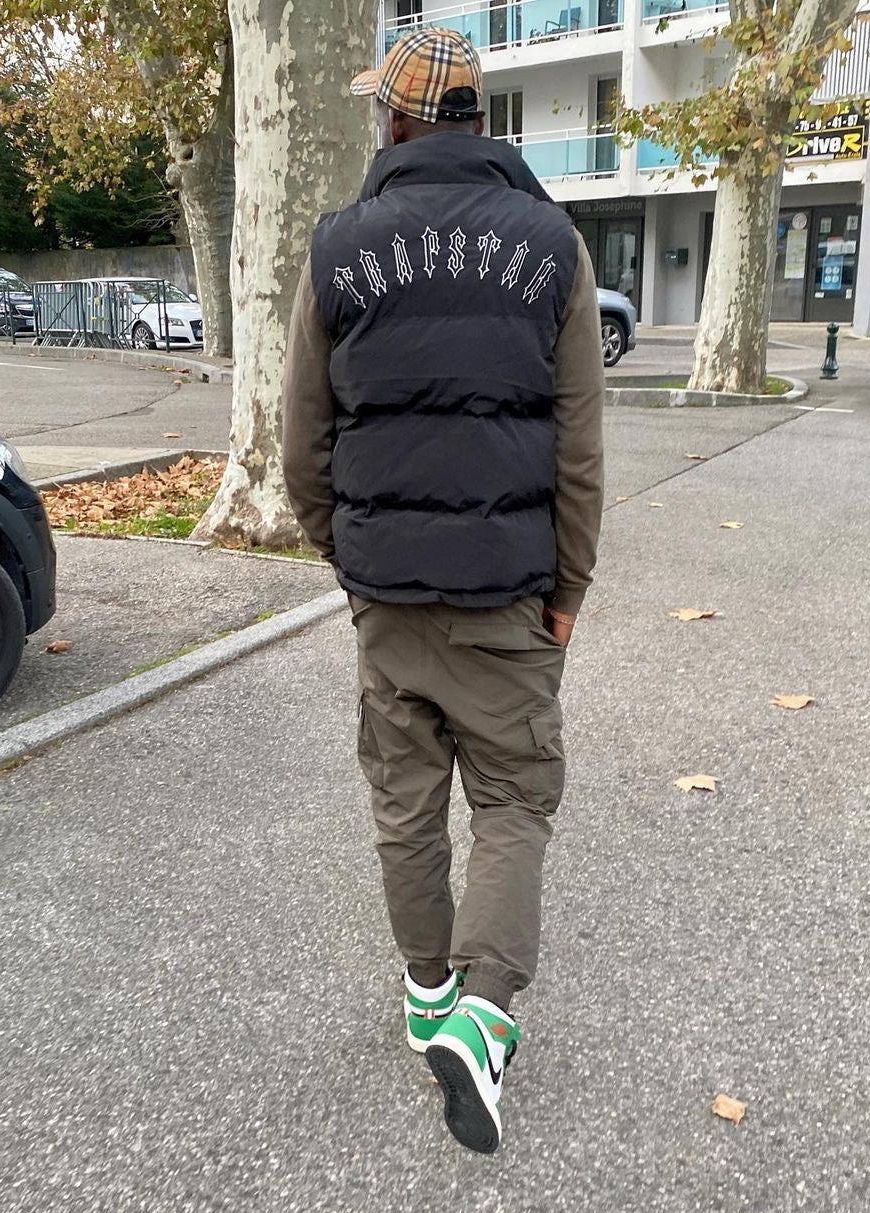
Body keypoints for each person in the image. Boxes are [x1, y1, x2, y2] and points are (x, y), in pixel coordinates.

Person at [282, 27, 605, 1154]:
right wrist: (570, 585)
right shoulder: (553, 246)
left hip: (389, 601)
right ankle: (483, 1011)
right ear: (477, 119)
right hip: (509, 597)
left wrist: (351, 558)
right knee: (514, 798)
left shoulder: (340, 249)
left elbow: (301, 445)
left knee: (405, 801)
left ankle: (429, 997)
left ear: (396, 119)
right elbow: (578, 446)